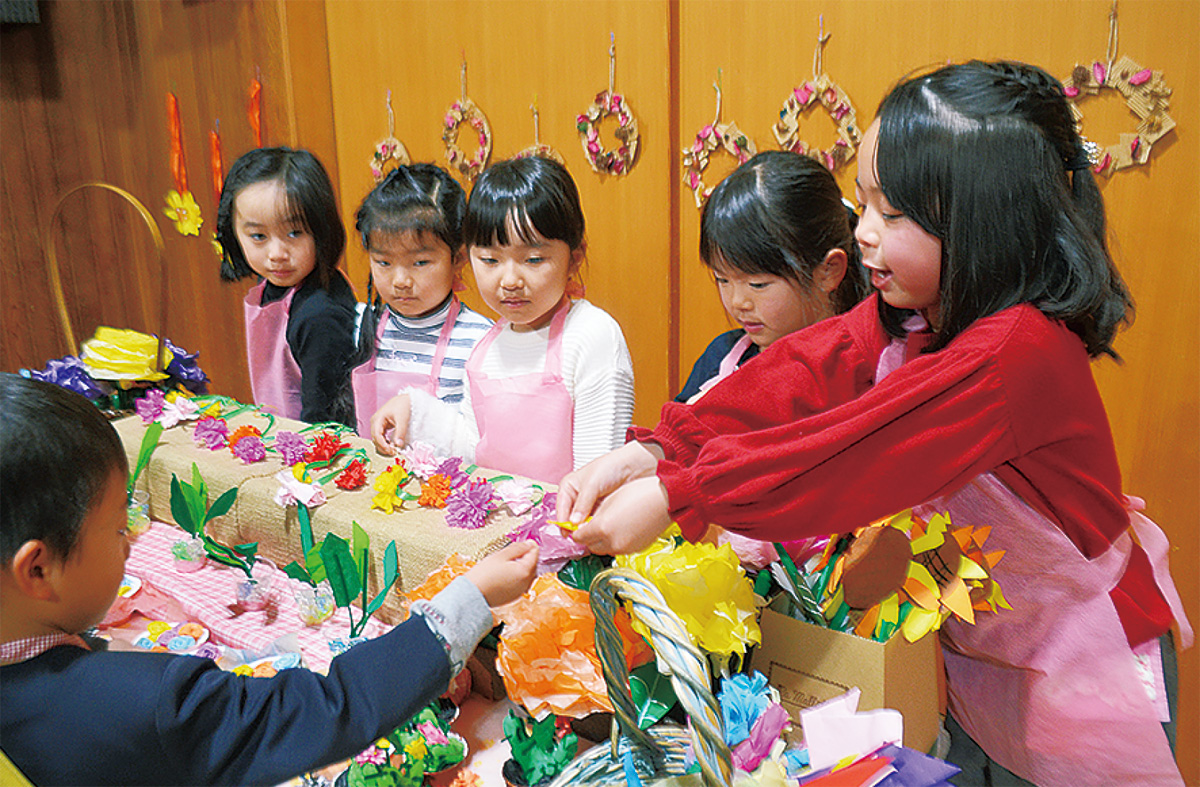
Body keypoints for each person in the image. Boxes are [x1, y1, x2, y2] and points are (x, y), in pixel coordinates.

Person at [558, 61, 1191, 787]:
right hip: (995, 642)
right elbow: (799, 371)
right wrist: (662, 450)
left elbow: (855, 452)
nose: (863, 234)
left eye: (892, 215)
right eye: (864, 204)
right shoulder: (915, 314)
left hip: (1086, 657)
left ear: (982, 221)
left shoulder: (1017, 351)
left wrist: (684, 490)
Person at [0, 373, 539, 787]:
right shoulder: (146, 702)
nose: (130, 541)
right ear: (38, 570)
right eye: (120, 524)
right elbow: (332, 706)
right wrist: (473, 598)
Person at [371, 156, 635, 484]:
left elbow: (599, 476)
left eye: (533, 259)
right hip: (497, 527)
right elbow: (472, 448)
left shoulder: (592, 335)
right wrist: (413, 410)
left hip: (569, 526)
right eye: (490, 259)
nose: (509, 280)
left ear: (573, 259)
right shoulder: (488, 346)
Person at [676, 150, 867, 403]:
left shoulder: (860, 374)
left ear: (828, 271)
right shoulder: (721, 356)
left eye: (758, 284)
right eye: (722, 279)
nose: (737, 302)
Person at [349, 163, 493, 437]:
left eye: (420, 262)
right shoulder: (359, 324)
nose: (400, 280)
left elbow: (480, 441)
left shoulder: (479, 341)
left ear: (458, 258)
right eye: (383, 262)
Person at [217, 147, 358, 426]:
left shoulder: (321, 314)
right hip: (284, 429)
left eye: (294, 233)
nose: (276, 253)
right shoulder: (275, 280)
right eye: (258, 236)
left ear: (322, 228)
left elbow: (324, 421)